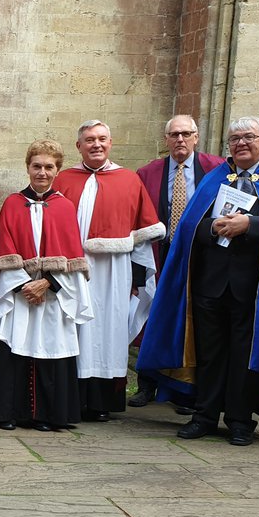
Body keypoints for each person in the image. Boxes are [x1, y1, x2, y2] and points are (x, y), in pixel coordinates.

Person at [138, 116, 259, 446]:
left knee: (246, 353)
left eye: (249, 137)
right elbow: (188, 228)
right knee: (210, 352)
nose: (241, 143)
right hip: (210, 284)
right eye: (235, 138)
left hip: (258, 289)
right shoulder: (216, 178)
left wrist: (250, 225)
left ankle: (240, 419)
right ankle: (205, 415)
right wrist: (211, 227)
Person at [53, 120, 163, 421]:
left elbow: (141, 236)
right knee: (71, 327)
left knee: (107, 330)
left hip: (114, 270)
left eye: (102, 139)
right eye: (89, 140)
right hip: (72, 268)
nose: (96, 144)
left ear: (111, 143)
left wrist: (138, 279)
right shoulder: (62, 181)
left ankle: (102, 402)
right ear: (79, 146)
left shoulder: (129, 180)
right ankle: (70, 398)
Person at [0, 140, 92, 431]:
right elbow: (2, 251)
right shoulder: (13, 205)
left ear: (58, 170)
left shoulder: (65, 207)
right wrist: (24, 285)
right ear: (28, 167)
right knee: (11, 345)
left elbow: (72, 257)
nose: (42, 172)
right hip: (19, 294)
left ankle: (46, 415)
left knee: (49, 347)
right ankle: (7, 413)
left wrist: (47, 283)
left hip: (53, 295)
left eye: (48, 167)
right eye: (36, 166)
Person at [129, 115, 224, 408]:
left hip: (200, 256)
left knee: (192, 320)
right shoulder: (147, 173)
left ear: (196, 137)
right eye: (174, 134)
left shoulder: (216, 169)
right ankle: (147, 384)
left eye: (186, 134)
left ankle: (185, 390)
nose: (180, 140)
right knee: (152, 317)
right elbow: (136, 219)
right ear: (166, 139)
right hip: (159, 253)